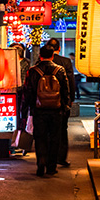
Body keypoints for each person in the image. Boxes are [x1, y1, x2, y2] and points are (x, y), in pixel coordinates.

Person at [22, 45, 70, 176]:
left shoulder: (33, 71)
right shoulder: (60, 70)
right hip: (56, 110)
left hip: (39, 110)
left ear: (40, 56)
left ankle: (41, 163)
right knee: (55, 138)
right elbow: (65, 91)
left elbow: (28, 92)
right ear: (52, 56)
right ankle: (51, 167)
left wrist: (25, 110)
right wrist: (66, 107)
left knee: (40, 137)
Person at [46, 39, 75, 167]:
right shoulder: (65, 62)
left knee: (46, 131)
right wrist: (71, 99)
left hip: (43, 103)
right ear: (58, 48)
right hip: (61, 102)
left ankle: (47, 158)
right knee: (62, 130)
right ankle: (61, 158)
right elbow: (70, 82)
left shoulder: (40, 63)